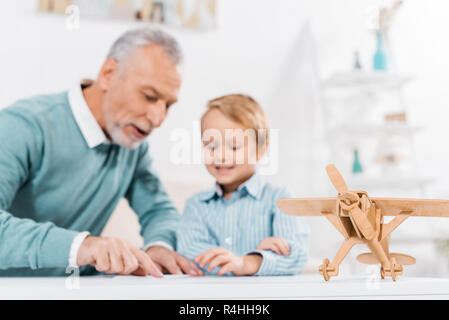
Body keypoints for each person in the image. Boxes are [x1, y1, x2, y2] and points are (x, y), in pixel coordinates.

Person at [0, 28, 202, 277]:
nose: (158, 119)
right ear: (108, 74)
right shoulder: (23, 126)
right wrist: (83, 247)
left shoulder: (130, 143)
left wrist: (158, 245)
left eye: (168, 105)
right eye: (149, 97)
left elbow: (159, 210)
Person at [176, 94, 310, 276]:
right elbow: (191, 255)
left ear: (261, 150)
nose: (221, 156)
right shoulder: (196, 205)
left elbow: (296, 256)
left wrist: (248, 262)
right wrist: (250, 259)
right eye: (211, 146)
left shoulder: (280, 198)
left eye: (234, 147)